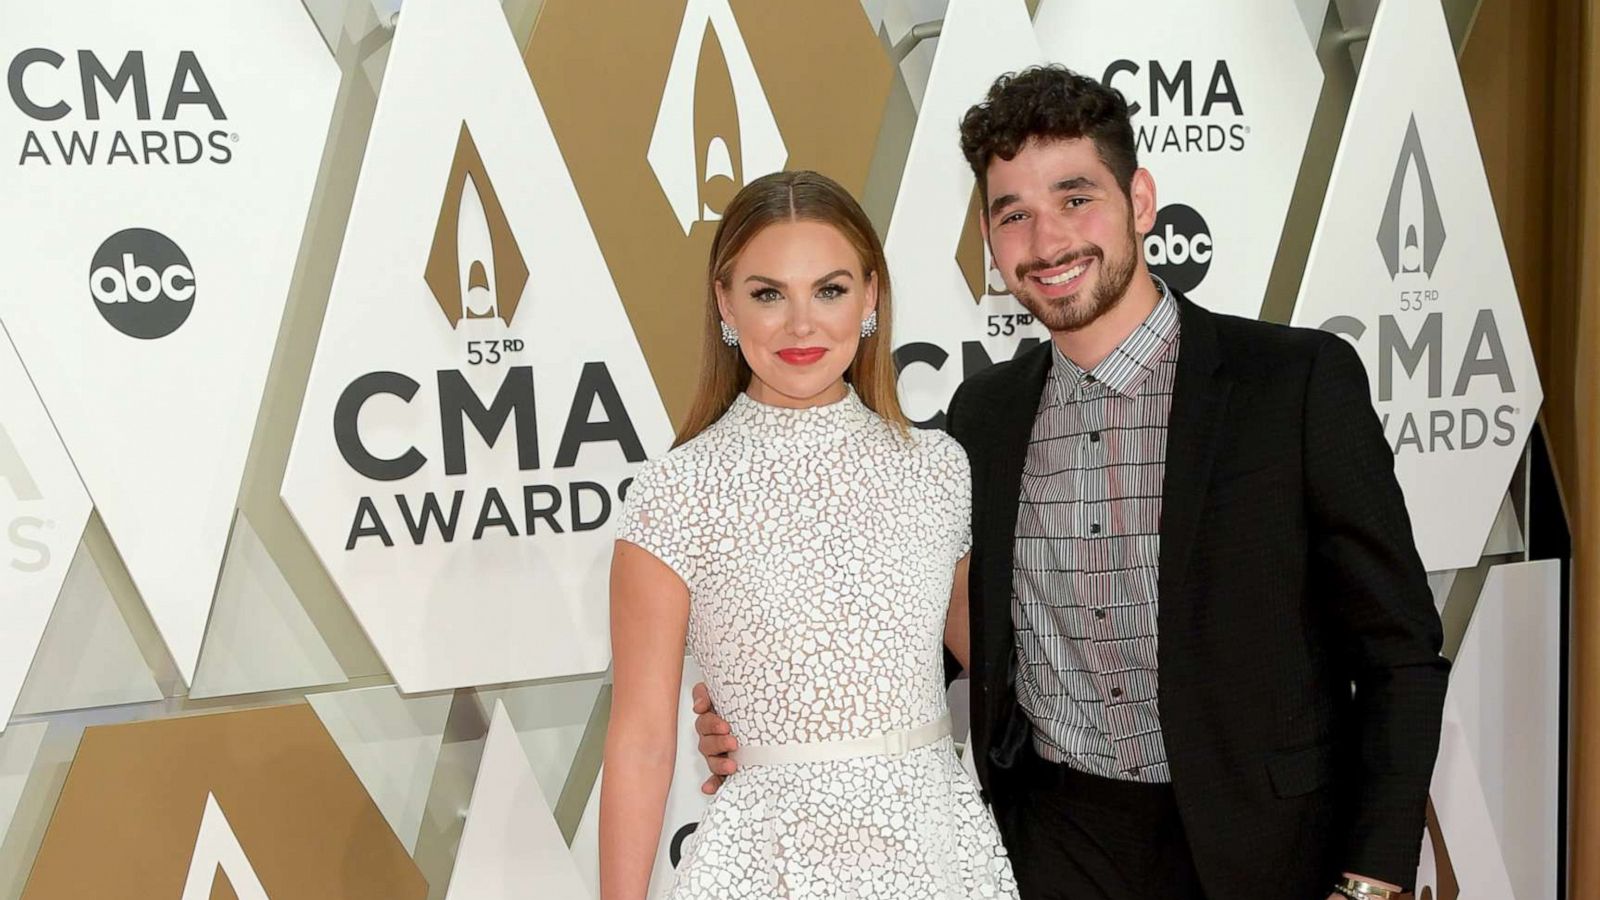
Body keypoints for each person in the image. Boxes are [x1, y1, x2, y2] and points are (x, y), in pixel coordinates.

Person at [694, 67, 1449, 900]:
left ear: (1141, 200)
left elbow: (1400, 655)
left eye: (1075, 197)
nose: (1046, 241)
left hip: (1268, 849)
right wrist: (769, 718)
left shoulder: (1294, 385)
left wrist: (1373, 879)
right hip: (1052, 847)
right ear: (987, 237)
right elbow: (914, 615)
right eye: (1013, 213)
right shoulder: (979, 419)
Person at [600, 169, 1019, 899]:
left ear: (870, 297)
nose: (802, 325)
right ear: (725, 303)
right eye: (768, 294)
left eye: (829, 290)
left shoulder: (939, 470)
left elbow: (995, 669)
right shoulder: (676, 491)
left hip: (935, 856)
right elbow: (639, 740)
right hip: (764, 864)